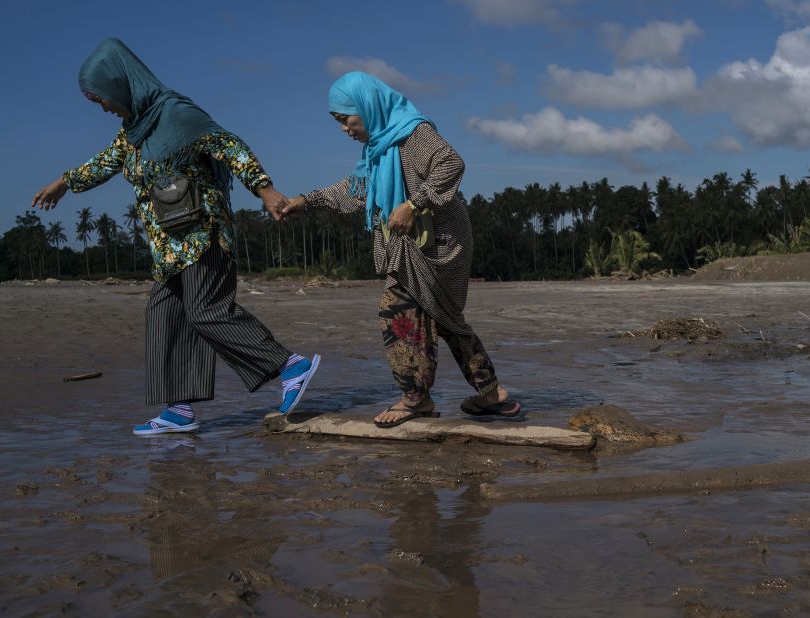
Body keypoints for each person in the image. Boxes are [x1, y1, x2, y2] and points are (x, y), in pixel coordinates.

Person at [30, 38, 320, 436]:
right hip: (169, 246)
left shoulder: (176, 113)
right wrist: (63, 182)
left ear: (121, 84)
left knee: (207, 311)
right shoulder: (133, 131)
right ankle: (178, 409)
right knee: (165, 315)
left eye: (103, 98)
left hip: (203, 235)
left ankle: (291, 366)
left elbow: (230, 146)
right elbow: (104, 163)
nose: (104, 107)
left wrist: (265, 189)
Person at [282, 72, 519, 428]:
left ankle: (415, 398)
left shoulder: (412, 134)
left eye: (346, 119)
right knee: (444, 318)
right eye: (338, 122)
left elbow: (451, 164)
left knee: (396, 312)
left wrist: (413, 203)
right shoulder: (378, 149)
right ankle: (490, 395)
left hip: (439, 243)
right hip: (416, 244)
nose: (344, 129)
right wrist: (308, 201)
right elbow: (355, 189)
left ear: (367, 106)